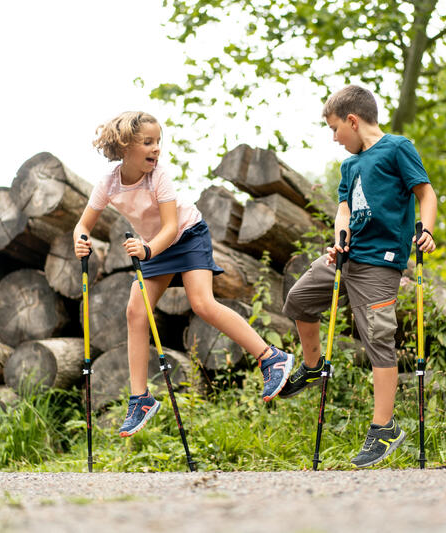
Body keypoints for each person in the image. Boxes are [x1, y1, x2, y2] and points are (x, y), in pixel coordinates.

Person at [74, 111, 293, 437]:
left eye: (158, 141)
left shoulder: (158, 175)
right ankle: (141, 399)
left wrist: (147, 250)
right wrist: (81, 240)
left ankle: (271, 357)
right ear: (125, 147)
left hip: (185, 237)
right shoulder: (107, 183)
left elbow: (172, 226)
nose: (156, 148)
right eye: (148, 142)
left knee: (202, 303)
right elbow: (83, 225)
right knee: (135, 310)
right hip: (153, 246)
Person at [279, 85, 437, 468]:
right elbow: (344, 208)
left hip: (380, 264)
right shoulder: (350, 166)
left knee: (378, 339)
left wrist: (427, 230)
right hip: (346, 259)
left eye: (335, 129)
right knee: (298, 300)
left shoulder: (398, 148)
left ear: (352, 120)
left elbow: (426, 193)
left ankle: (384, 428)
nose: (334, 138)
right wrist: (338, 241)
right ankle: (313, 366)